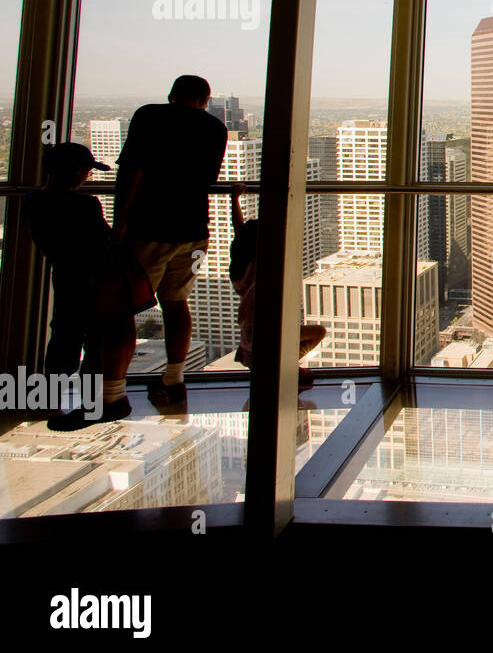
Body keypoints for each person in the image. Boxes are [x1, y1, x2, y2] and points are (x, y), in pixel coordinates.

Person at [113, 75, 228, 409]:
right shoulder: (214, 128)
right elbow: (208, 179)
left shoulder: (149, 116)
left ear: (171, 95)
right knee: (177, 302)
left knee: (123, 308)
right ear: (206, 99)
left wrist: (120, 221)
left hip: (149, 228)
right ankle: (174, 378)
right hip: (194, 231)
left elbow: (132, 170)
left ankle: (114, 390)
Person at [24, 143, 139, 429]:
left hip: (64, 276)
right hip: (93, 281)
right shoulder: (85, 204)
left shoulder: (31, 200)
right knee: (96, 342)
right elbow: (106, 242)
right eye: (86, 171)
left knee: (63, 338)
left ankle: (48, 403)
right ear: (75, 172)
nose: (87, 176)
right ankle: (93, 405)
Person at [227, 183, 325, 389]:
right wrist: (234, 199)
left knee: (318, 332)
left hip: (258, 345)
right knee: (319, 332)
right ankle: (288, 363)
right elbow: (242, 230)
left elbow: (239, 231)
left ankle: (287, 363)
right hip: (262, 343)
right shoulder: (258, 272)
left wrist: (234, 200)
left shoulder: (243, 274)